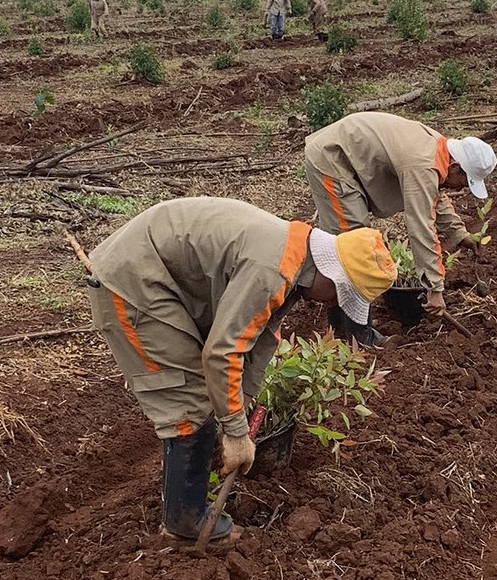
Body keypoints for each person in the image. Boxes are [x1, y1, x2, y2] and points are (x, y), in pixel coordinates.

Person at [85, 197, 397, 544]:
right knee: (186, 400)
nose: (334, 305)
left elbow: (263, 335)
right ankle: (184, 524)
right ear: (331, 273)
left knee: (209, 398)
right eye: (340, 296)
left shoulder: (295, 258)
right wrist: (234, 433)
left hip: (162, 275)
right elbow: (223, 352)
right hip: (132, 280)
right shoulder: (272, 269)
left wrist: (240, 405)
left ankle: (187, 506)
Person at [303, 112, 497, 342]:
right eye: (465, 182)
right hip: (332, 159)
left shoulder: (439, 151)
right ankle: (357, 336)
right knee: (354, 247)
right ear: (456, 167)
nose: (460, 189)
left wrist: (459, 233)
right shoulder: (424, 165)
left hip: (348, 160)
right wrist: (435, 289)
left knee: (354, 245)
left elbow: (434, 195)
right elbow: (421, 227)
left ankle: (345, 326)